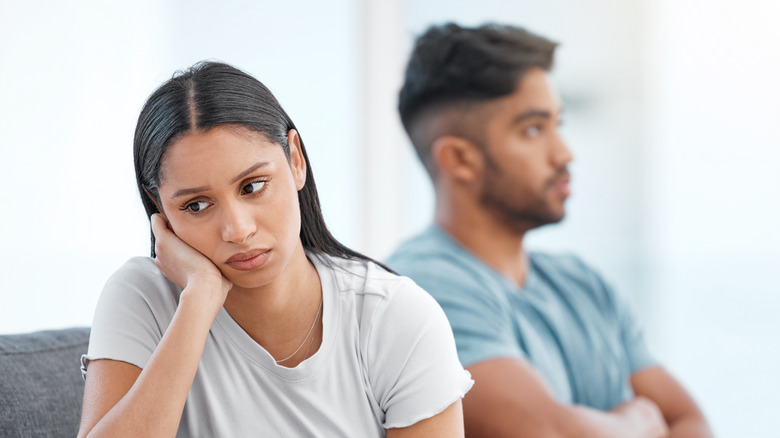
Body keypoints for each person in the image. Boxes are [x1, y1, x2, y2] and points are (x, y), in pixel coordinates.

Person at [78, 61, 472, 437]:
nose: (238, 229)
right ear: (160, 208)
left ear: (295, 159)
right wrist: (197, 301)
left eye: (252, 186)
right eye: (196, 205)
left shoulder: (393, 317)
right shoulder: (142, 298)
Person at [386, 23, 713, 438]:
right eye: (534, 129)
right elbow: (551, 433)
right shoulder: (418, 292)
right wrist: (641, 420)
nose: (564, 153)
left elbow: (690, 422)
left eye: (559, 124)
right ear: (459, 159)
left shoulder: (583, 284)